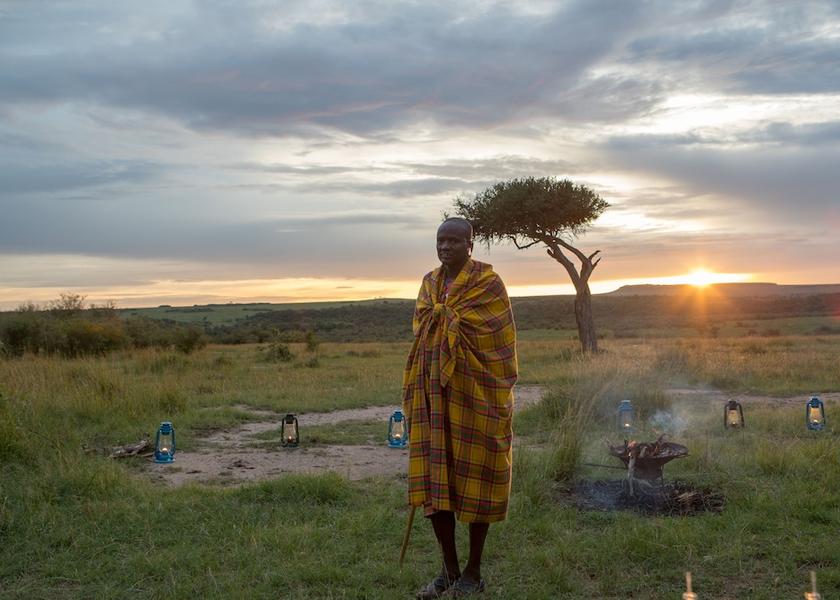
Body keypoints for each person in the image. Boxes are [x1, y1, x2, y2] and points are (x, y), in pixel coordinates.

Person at [403, 217, 517, 598]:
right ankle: (448, 570)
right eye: (440, 240)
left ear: (471, 244)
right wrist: (441, 317)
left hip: (476, 399)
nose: (445, 247)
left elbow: (498, 341)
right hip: (434, 398)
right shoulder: (429, 284)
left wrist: (448, 317)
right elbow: (422, 328)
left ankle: (473, 570)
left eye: (454, 240)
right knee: (438, 484)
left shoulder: (488, 284)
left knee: (477, 477)